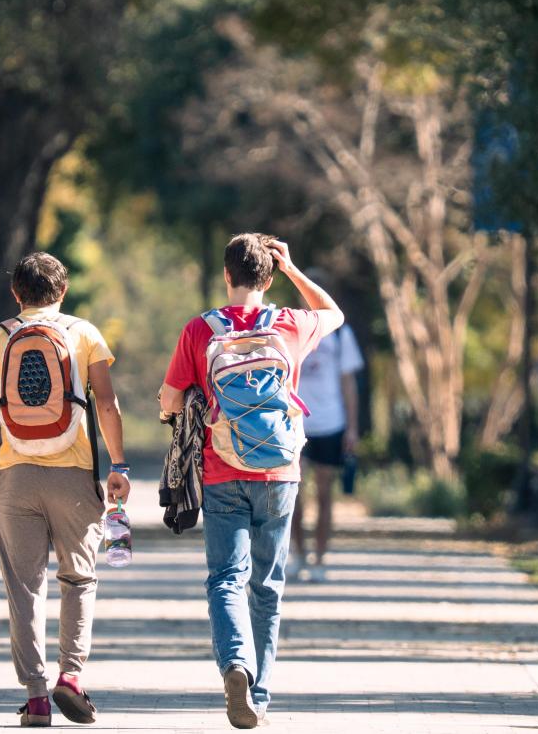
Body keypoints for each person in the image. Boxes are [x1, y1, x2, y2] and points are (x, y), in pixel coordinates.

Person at [159, 234, 343, 729]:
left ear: (226, 275)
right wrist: (294, 270)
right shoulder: (290, 323)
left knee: (226, 578)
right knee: (267, 584)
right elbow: (335, 313)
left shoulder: (200, 330)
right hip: (280, 472)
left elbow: (170, 400)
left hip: (221, 470)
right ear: (267, 275)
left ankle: (235, 664)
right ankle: (258, 695)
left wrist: (179, 407)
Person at [0, 252, 130, 728]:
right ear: (63, 291)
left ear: (15, 293)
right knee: (78, 579)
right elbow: (108, 405)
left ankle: (36, 697)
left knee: (23, 588)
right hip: (75, 477)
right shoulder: (84, 335)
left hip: (13, 476)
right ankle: (71, 677)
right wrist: (117, 463)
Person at [290, 272, 364, 583]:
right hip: (294, 422)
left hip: (331, 423)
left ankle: (320, 557)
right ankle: (297, 552)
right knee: (292, 494)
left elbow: (348, 382)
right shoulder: (290, 328)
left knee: (324, 493)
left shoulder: (340, 333)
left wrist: (352, 427)